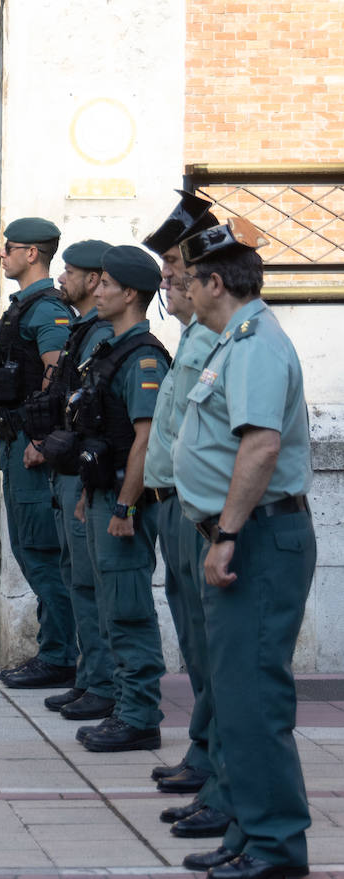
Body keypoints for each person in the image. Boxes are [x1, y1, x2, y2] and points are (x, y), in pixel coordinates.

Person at [175, 218, 315, 879]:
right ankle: (247, 829)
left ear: (215, 282)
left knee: (254, 698)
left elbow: (261, 446)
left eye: (190, 276)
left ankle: (274, 846)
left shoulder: (256, 343)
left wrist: (226, 533)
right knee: (235, 697)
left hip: (257, 538)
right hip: (245, 535)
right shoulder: (234, 340)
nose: (183, 287)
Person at [139, 192, 232, 839]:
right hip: (174, 508)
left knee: (213, 652)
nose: (169, 279)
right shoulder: (192, 336)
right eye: (169, 267)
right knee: (198, 650)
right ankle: (208, 759)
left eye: (177, 266)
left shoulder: (221, 337)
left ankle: (221, 773)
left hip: (198, 514)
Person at [69, 245, 169, 753]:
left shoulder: (144, 356)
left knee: (128, 610)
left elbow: (145, 440)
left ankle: (139, 715)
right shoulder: (112, 348)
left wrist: (126, 507)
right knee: (111, 608)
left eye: (107, 283)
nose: (98, 289)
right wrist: (92, 494)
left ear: (130, 293)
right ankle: (126, 708)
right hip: (106, 496)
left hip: (128, 507)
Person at [0, 217, 77, 689]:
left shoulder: (48, 310)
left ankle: (60, 656)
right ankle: (57, 653)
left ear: (32, 253)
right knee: (30, 550)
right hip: (16, 442)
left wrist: (41, 439)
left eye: (8, 248)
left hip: (32, 450)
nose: (1, 255)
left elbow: (61, 378)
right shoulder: (23, 307)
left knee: (40, 551)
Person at [20, 239, 117, 722]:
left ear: (94, 280)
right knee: (75, 577)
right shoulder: (84, 328)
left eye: (71, 273)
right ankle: (89, 678)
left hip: (85, 474)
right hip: (67, 471)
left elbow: (88, 407)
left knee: (91, 582)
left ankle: (103, 682)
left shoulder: (100, 335)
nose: (61, 279)